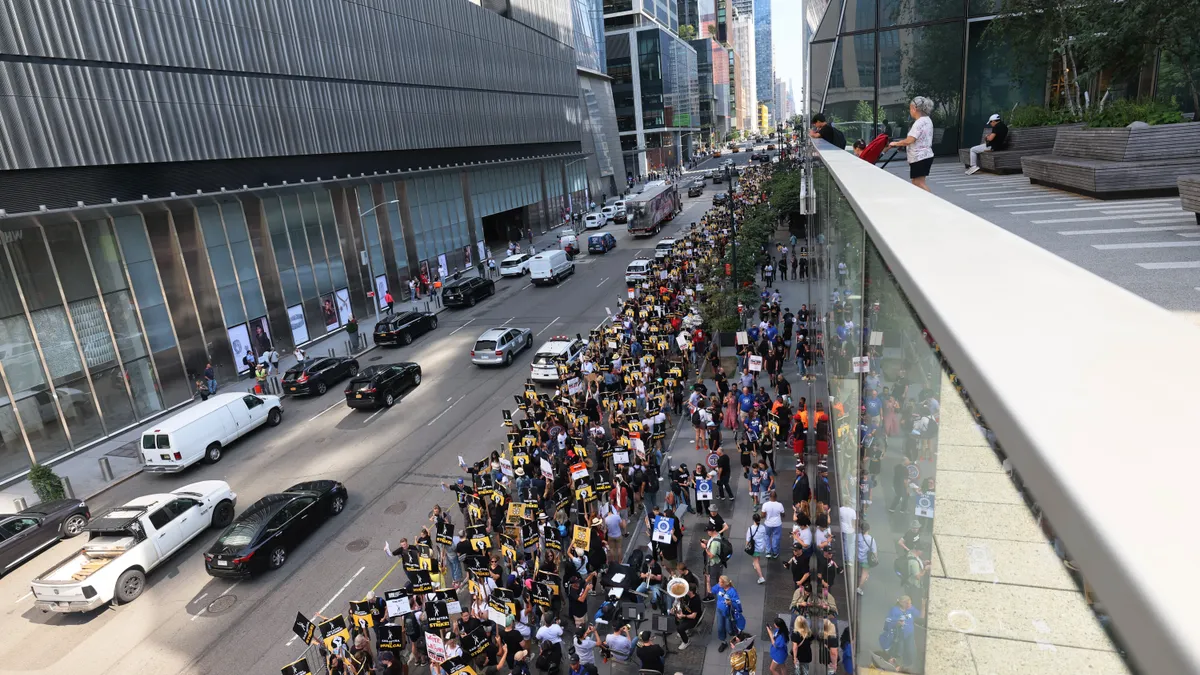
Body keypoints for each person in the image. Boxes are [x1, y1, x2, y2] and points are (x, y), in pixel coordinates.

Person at [887, 96, 935, 192]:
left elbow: (910, 140)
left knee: (918, 183)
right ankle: (923, 202)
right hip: (925, 156)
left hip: (919, 157)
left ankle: (932, 202)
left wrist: (896, 143)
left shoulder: (919, 123)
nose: (910, 111)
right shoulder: (927, 120)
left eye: (910, 108)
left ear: (914, 108)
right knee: (917, 182)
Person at [711, 575, 744, 652]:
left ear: (724, 583)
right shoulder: (719, 587)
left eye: (720, 582)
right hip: (720, 611)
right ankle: (723, 642)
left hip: (728, 613)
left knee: (729, 629)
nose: (718, 583)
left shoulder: (732, 591)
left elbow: (737, 602)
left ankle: (737, 635)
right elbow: (711, 591)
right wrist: (708, 581)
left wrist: (730, 603)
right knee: (720, 627)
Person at [761, 490, 786, 559]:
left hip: (768, 524)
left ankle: (768, 552)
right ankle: (775, 552)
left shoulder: (765, 505)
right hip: (777, 524)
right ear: (776, 497)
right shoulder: (780, 505)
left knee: (767, 536)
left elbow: (762, 515)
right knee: (776, 537)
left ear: (769, 497)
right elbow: (783, 515)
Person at [745, 513, 768, 584]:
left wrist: (746, 546)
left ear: (753, 519)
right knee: (758, 555)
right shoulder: (763, 527)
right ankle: (755, 565)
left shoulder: (751, 529)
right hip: (762, 546)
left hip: (754, 547)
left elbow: (748, 539)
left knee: (756, 561)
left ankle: (761, 577)